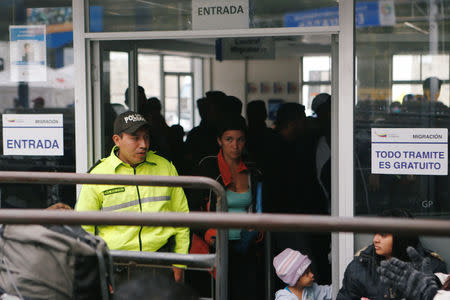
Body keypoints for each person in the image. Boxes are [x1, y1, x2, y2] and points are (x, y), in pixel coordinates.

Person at [75, 111, 190, 282]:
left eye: (146, 137)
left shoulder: (165, 167)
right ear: (117, 140)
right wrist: (98, 274)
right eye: (135, 138)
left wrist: (180, 264)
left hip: (159, 264)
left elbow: (182, 220)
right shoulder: (98, 175)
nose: (143, 144)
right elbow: (84, 230)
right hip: (115, 266)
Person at [191, 115, 264, 300]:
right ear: (219, 141)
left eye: (240, 140)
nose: (235, 145)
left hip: (246, 246)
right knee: (217, 294)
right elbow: (192, 209)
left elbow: (260, 207)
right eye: (229, 139)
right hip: (214, 247)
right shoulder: (207, 168)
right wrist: (207, 233)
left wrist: (257, 230)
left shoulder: (253, 171)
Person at [336, 208, 447, 300]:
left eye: (383, 235)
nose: (375, 239)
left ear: (401, 237)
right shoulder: (360, 266)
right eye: (375, 233)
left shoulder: (432, 267)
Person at [378, 246, 449, 300]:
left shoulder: (436, 263)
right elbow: (446, 280)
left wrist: (430, 294)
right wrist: (434, 281)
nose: (375, 240)